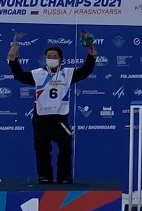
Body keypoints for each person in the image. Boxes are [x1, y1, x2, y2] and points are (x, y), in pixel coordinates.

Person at [8, 39, 96, 184]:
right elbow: (19, 76)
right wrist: (13, 59)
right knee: (41, 149)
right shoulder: (38, 74)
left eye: (54, 57)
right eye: (49, 56)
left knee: (66, 148)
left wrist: (91, 57)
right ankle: (44, 176)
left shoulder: (67, 74)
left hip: (59, 119)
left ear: (61, 59)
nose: (51, 59)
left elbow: (85, 71)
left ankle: (64, 177)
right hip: (41, 118)